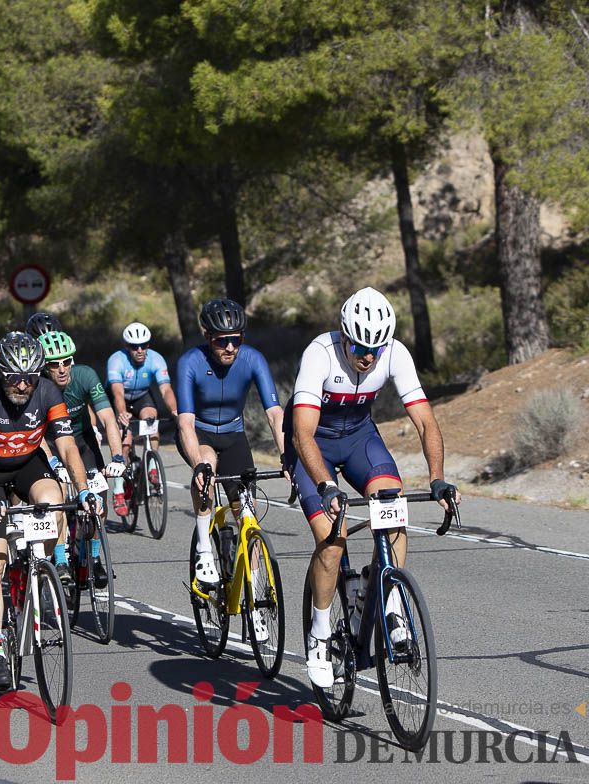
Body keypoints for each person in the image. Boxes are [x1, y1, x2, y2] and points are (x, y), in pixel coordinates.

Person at [284, 287, 460, 688]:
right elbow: (303, 435)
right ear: (344, 335)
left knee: (393, 508)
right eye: (361, 346)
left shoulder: (394, 353)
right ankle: (320, 632)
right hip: (314, 446)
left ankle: (392, 603)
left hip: (361, 439)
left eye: (376, 348)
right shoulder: (320, 354)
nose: (368, 355)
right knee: (333, 539)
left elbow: (426, 422)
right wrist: (326, 485)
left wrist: (437, 477)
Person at [0, 332, 101, 690]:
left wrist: (84, 489)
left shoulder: (47, 391)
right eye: (14, 377)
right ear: (1, 372)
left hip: (27, 465)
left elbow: (68, 447)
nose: (23, 385)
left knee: (52, 498)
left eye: (30, 377)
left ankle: (44, 569)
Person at [175, 298, 285, 588]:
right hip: (199, 433)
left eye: (236, 339)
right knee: (208, 468)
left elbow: (275, 414)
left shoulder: (253, 359)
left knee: (247, 512)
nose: (230, 348)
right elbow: (185, 422)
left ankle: (257, 585)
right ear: (208, 337)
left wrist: (288, 456)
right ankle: (203, 550)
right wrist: (198, 464)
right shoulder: (191, 362)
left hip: (234, 436)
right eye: (222, 341)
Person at [38, 330, 125, 587]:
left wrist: (117, 457)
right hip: (50, 443)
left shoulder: (85, 376)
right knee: (60, 496)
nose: (62, 369)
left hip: (82, 441)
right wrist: (53, 462)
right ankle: (61, 558)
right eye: (55, 364)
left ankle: (94, 556)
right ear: (45, 367)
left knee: (99, 496)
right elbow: (35, 434)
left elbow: (108, 418)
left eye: (67, 361)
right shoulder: (39, 387)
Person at [106, 322, 178, 503]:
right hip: (119, 398)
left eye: (144, 345)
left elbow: (166, 390)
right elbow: (118, 393)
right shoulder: (116, 360)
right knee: (126, 439)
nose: (139, 350)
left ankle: (152, 465)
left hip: (141, 396)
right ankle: (118, 490)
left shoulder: (156, 359)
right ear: (126, 346)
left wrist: (175, 411)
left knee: (151, 422)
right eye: (134, 346)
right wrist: (122, 413)